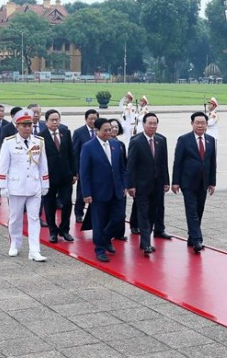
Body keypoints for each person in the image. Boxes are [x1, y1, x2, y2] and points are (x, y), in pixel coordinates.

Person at [0, 109, 49, 262]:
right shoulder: (9, 142)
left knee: (34, 219)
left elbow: (43, 164)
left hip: (34, 186)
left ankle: (34, 250)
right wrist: (3, 186)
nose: (27, 128)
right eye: (24, 125)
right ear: (17, 126)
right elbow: (3, 165)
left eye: (29, 125)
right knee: (15, 218)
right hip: (16, 186)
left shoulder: (38, 141)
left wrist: (45, 183)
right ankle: (15, 244)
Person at [79, 118, 128, 263]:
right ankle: (100, 249)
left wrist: (124, 184)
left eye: (110, 129)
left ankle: (105, 239)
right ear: (97, 131)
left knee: (119, 218)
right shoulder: (88, 147)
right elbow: (84, 172)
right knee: (99, 222)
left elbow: (122, 168)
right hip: (98, 191)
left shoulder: (115, 144)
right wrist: (86, 193)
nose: (109, 132)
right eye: (105, 130)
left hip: (117, 190)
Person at [171, 111, 217, 253]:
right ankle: (197, 240)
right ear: (192, 124)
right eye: (197, 123)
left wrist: (212, 182)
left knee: (199, 210)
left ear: (206, 124)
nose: (200, 125)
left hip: (203, 183)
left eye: (203, 123)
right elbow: (177, 162)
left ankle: (192, 238)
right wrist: (175, 182)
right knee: (192, 211)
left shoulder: (210, 140)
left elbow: (212, 163)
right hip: (188, 183)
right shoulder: (184, 140)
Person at [127, 112, 172, 255]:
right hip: (141, 185)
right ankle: (146, 243)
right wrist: (131, 185)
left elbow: (163, 163)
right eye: (150, 123)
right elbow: (131, 166)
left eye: (155, 123)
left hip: (157, 185)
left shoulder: (161, 140)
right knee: (143, 213)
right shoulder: (136, 141)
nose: (153, 126)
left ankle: (147, 238)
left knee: (153, 212)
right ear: (143, 124)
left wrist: (166, 181)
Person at [41, 109, 76, 243]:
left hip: (65, 176)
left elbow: (71, 154)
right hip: (49, 177)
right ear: (47, 122)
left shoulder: (65, 133)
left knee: (67, 203)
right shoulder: (40, 136)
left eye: (57, 119)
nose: (55, 122)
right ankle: (53, 231)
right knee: (49, 205)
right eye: (52, 120)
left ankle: (65, 229)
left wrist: (74, 172)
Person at [72, 109, 99, 224]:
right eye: (90, 119)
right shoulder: (79, 132)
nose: (93, 121)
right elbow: (75, 152)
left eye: (95, 119)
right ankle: (79, 213)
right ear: (86, 119)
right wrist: (76, 170)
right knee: (82, 192)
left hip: (97, 169)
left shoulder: (100, 131)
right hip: (84, 168)